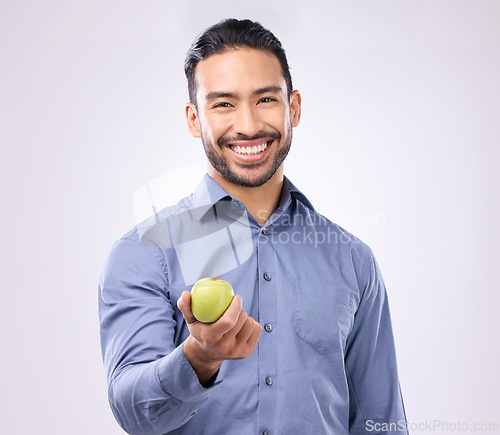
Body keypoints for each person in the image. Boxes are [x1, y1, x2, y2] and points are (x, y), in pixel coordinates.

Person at [98, 18, 408, 435]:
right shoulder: (143, 253)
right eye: (223, 104)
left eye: (265, 99)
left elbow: (381, 422)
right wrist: (199, 359)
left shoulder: (352, 260)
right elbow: (135, 416)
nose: (247, 125)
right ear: (194, 119)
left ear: (293, 108)